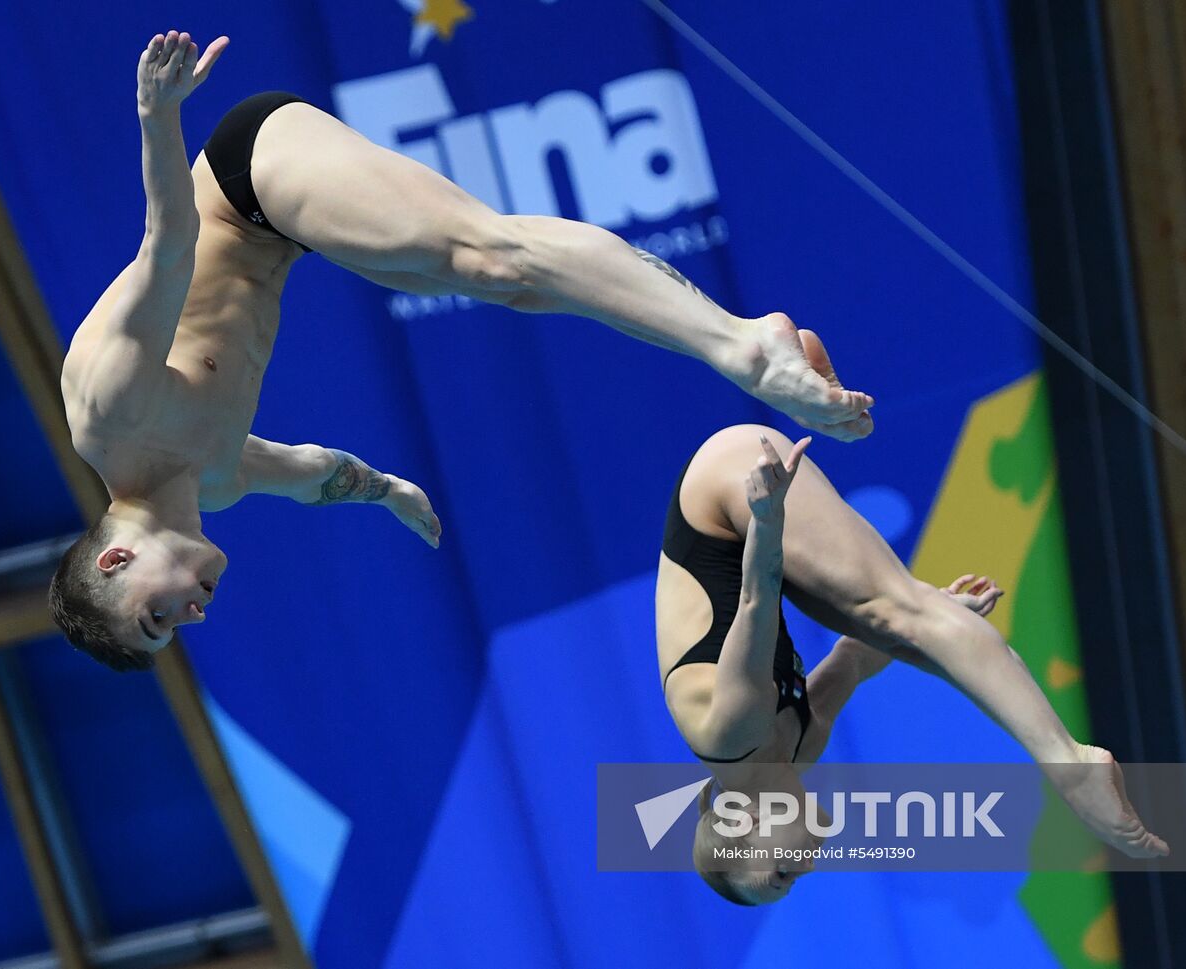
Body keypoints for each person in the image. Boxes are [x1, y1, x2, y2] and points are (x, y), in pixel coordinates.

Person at [51, 31, 874, 671]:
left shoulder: (110, 413)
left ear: (117, 558)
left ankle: (745, 346)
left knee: (489, 255)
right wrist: (387, 493)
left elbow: (169, 248)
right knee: (517, 286)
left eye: (158, 616)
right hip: (282, 236)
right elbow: (310, 472)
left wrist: (158, 117)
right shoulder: (215, 482)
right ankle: (738, 340)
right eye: (175, 632)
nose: (192, 616)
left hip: (249, 177)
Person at [655, 418, 1169, 904]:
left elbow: (756, 600)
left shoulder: (730, 734)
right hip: (747, 541)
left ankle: (1070, 766)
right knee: (914, 639)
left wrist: (769, 517)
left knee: (899, 615)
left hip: (723, 489)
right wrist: (943, 616)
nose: (807, 866)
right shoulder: (801, 747)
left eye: (781, 873)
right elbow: (855, 658)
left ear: (742, 823)